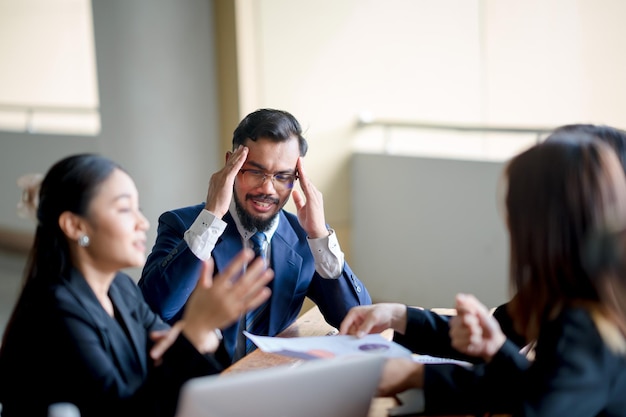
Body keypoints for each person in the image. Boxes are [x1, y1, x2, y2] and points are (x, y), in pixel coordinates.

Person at [341, 127, 626, 415]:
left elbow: (532, 406)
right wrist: (398, 316)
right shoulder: (575, 293)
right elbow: (539, 386)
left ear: (542, 227)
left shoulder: (585, 324)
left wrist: (417, 375)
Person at [0, 154, 273, 417]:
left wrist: (199, 335)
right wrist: (196, 331)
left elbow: (166, 362)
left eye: (138, 209)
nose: (142, 223)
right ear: (74, 225)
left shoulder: (120, 287)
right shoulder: (54, 313)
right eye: (123, 209)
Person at [138, 108, 371, 363]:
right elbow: (156, 308)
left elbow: (357, 318)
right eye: (256, 172)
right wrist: (212, 215)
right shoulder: (181, 224)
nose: (267, 189)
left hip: (269, 380)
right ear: (231, 165)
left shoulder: (303, 238)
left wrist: (319, 235)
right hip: (201, 383)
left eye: (282, 176)